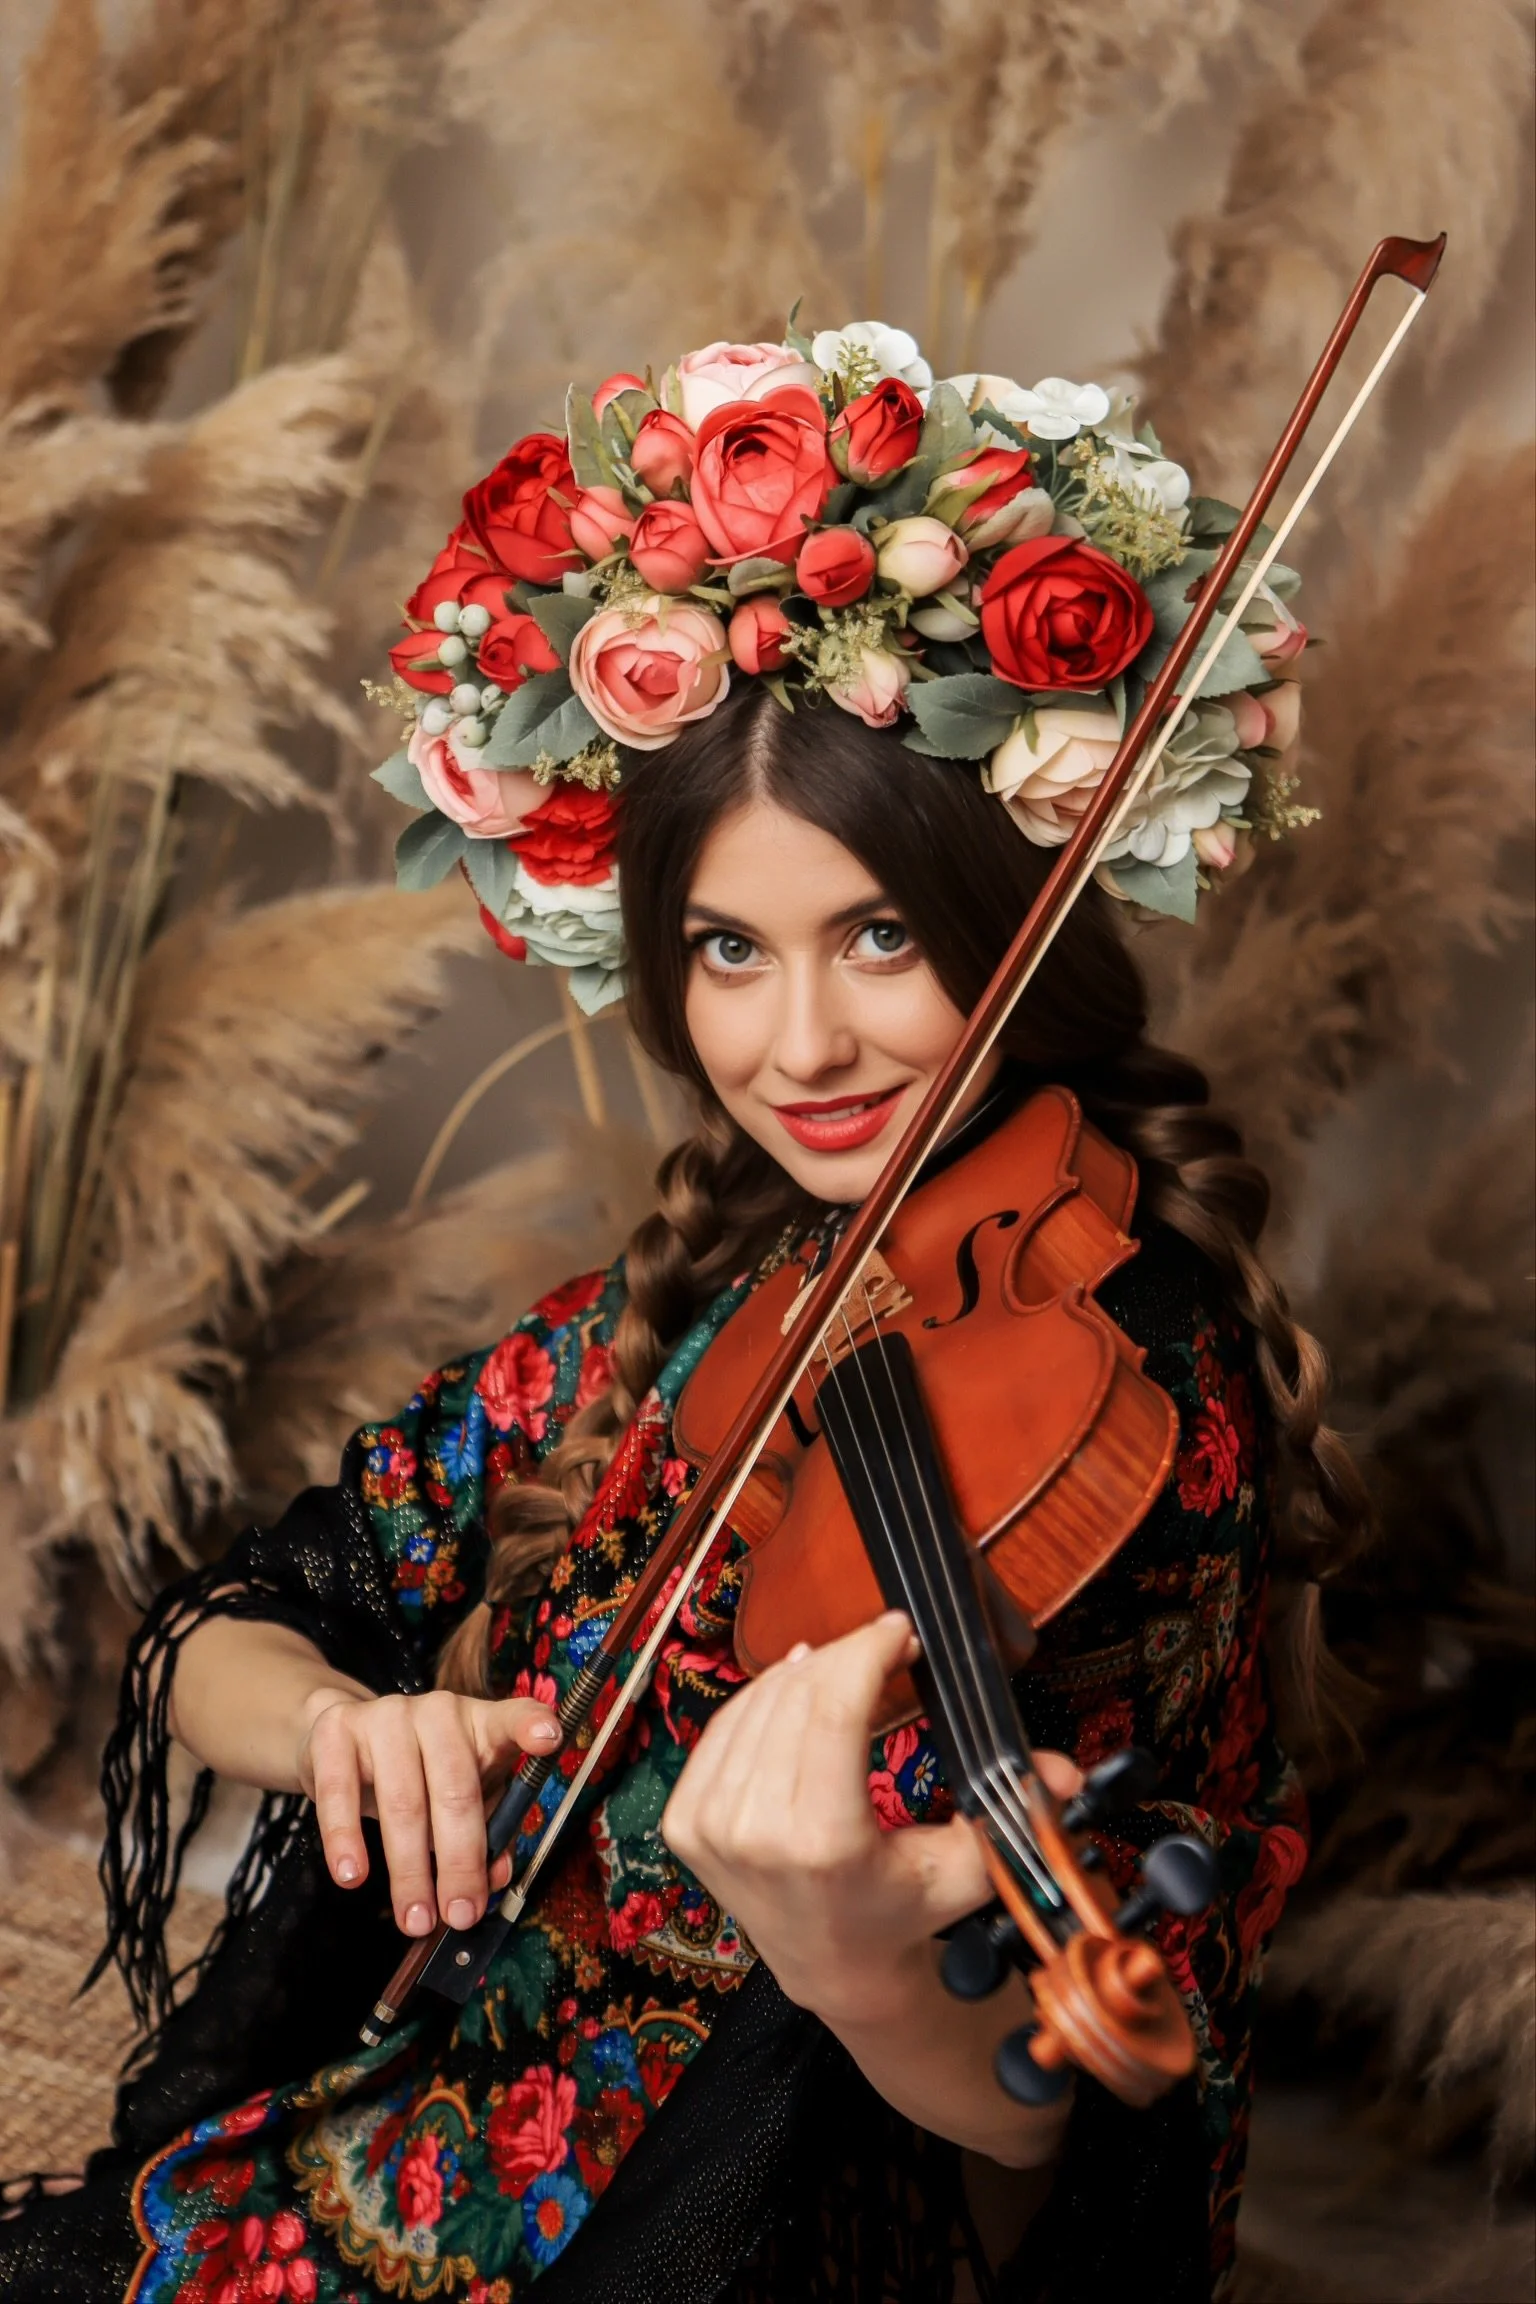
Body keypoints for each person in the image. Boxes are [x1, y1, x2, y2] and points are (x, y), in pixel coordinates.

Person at [0, 332, 1362, 2304]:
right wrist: (347, 1730)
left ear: (1015, 928)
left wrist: (868, 1959)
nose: (798, 1045)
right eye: (730, 950)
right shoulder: (696, 1320)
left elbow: (1052, 2166)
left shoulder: (1151, 1405)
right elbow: (238, 1611)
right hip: (442, 2135)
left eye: (880, 937)